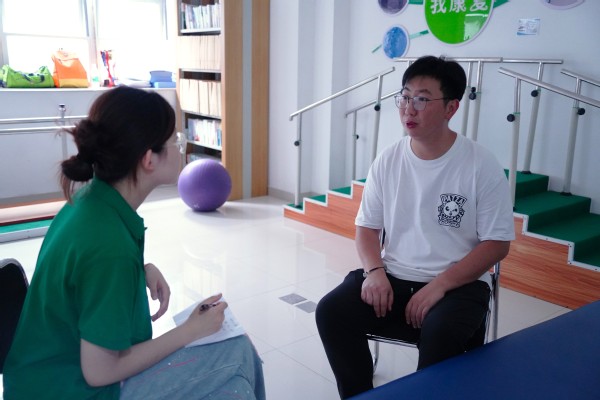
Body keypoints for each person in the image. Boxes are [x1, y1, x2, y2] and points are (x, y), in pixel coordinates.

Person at [3, 86, 265, 400]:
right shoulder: (109, 246)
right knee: (237, 352)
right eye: (174, 140)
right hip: (67, 390)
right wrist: (189, 331)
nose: (179, 147)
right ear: (148, 159)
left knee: (232, 376)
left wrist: (139, 270)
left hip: (39, 378)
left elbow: (83, 276)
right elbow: (100, 372)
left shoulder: (90, 201)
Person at [316, 55, 515, 399]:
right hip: (393, 276)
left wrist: (441, 285)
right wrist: (374, 271)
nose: (409, 109)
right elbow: (366, 228)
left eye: (422, 99)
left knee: (441, 332)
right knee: (332, 311)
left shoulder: (480, 164)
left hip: (458, 284)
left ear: (451, 108)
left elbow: (497, 244)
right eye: (405, 97)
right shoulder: (388, 159)